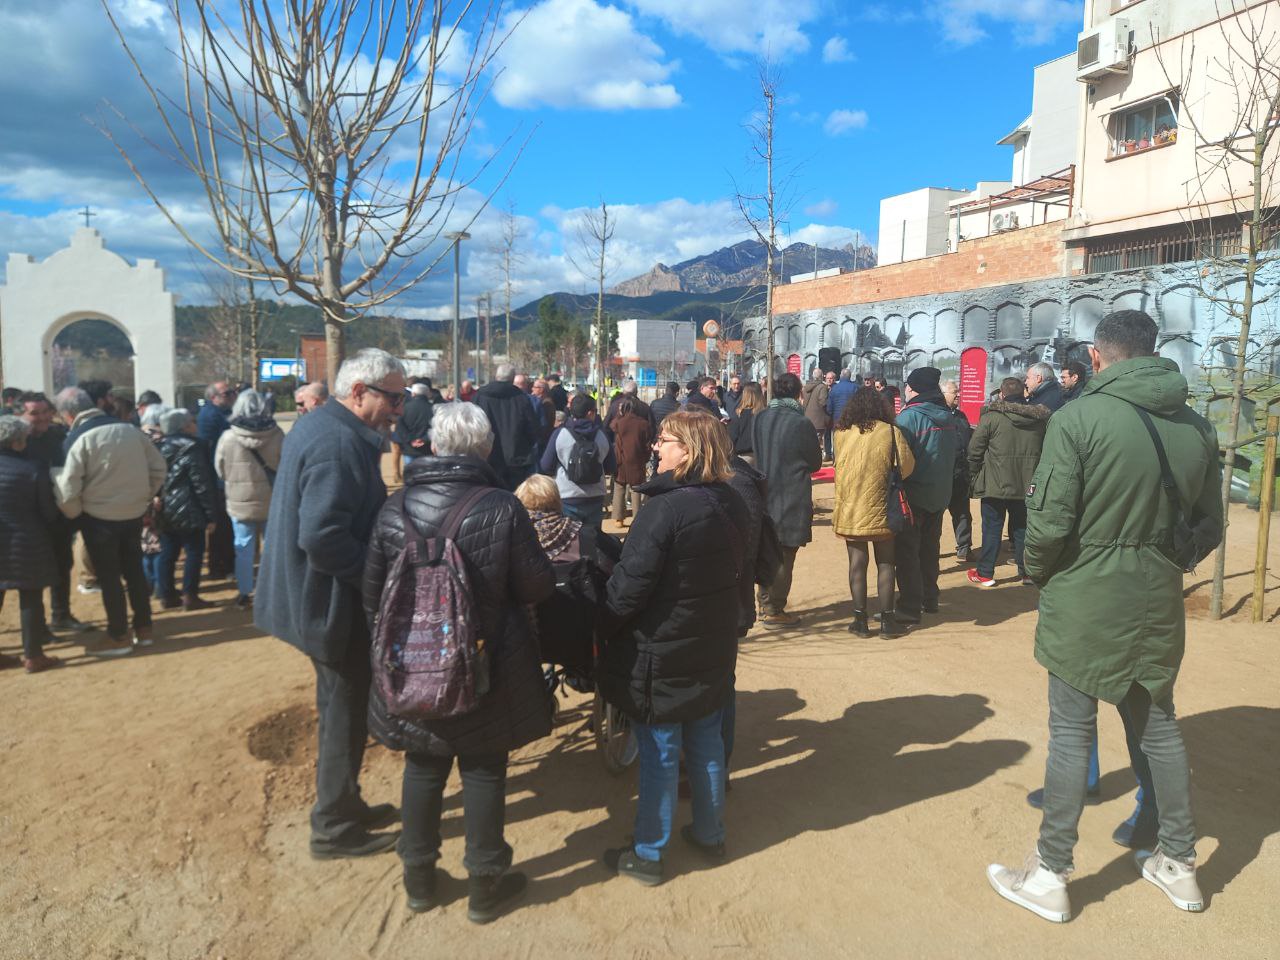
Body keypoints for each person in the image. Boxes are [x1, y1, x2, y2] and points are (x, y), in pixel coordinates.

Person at [987, 310, 1222, 923]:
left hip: (1086, 592)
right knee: (1160, 725)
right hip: (1158, 596)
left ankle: (1051, 871)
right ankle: (1179, 862)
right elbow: (1210, 524)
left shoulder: (1079, 418)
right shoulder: (1196, 426)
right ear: (1153, 353)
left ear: (1097, 357)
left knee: (1071, 730)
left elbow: (1051, 522)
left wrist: (1038, 569)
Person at [363, 402, 554, 922]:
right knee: (484, 768)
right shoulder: (500, 506)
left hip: (416, 664)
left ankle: (419, 879)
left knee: (423, 765)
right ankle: (485, 886)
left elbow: (372, 596)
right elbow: (536, 585)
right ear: (485, 447)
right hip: (484, 661)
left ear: (434, 444)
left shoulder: (394, 508)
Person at [255, 348, 406, 860]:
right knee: (343, 712)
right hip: (327, 607)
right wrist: (378, 575)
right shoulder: (339, 443)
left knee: (339, 708)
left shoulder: (329, 428)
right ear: (359, 391)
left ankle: (344, 802)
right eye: (394, 397)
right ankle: (334, 828)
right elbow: (321, 536)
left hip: (313, 601)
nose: (399, 408)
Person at [599, 410, 746, 885]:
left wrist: (602, 623)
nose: (656, 448)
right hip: (712, 644)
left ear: (690, 448)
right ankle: (710, 832)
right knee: (705, 741)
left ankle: (648, 853)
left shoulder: (664, 509)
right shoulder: (731, 500)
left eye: (665, 441)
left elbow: (628, 587)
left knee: (661, 751)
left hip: (663, 650)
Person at [54, 386, 167, 657]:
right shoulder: (130, 430)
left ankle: (118, 635)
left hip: (98, 518)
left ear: (69, 414)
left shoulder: (78, 438)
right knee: (135, 572)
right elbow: (159, 468)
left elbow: (69, 486)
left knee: (109, 577)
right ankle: (144, 628)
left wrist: (75, 513)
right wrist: (143, 497)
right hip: (132, 514)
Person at [515, 473, 619, 680]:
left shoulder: (513, 543)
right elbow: (617, 568)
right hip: (582, 635)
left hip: (528, 639)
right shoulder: (586, 535)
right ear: (557, 500)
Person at [832, 388, 915, 639]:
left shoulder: (841, 433)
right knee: (886, 562)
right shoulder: (890, 432)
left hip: (851, 507)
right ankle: (887, 622)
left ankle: (860, 620)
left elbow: (837, 466)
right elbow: (907, 466)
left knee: (856, 564)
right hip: (883, 506)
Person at [965, 378, 1050, 588]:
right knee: (1023, 529)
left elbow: (974, 450)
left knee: (992, 528)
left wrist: (975, 474)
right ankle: (1027, 573)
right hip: (1028, 483)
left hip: (995, 483)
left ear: (1002, 394)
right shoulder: (1039, 419)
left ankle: (985, 573)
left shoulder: (992, 417)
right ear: (1024, 394)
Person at [752, 372, 822, 625]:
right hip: (792, 494)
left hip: (763, 493)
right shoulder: (801, 423)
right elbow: (815, 462)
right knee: (784, 553)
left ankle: (764, 602)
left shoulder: (760, 418)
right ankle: (774, 609)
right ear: (798, 394)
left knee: (766, 549)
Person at [17, 391, 88, 634]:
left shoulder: (59, 436)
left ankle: (61, 615)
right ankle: (37, 628)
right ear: (21, 415)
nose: (42, 417)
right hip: (26, 519)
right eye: (34, 413)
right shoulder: (14, 442)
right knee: (31, 576)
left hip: (57, 514)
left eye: (46, 411)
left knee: (62, 565)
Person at [893, 367, 958, 625]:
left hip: (913, 494)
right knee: (930, 549)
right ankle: (929, 598)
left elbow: (899, 459)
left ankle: (909, 606)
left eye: (909, 386)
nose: (906, 390)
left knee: (907, 552)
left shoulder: (909, 418)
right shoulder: (948, 416)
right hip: (939, 493)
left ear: (915, 390)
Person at [0, 416, 63, 672]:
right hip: (28, 540)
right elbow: (48, 512)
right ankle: (33, 655)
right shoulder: (33, 469)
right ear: (17, 442)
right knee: (31, 597)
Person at [214, 389, 283, 609]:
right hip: (271, 500)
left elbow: (220, 470)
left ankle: (245, 592)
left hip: (239, 501)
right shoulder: (277, 434)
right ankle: (270, 592)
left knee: (243, 548)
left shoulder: (228, 437)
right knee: (271, 548)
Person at [155, 409, 219, 610]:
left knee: (167, 552)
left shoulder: (157, 447)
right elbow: (201, 483)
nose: (195, 424)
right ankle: (190, 595)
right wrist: (210, 514)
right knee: (194, 551)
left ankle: (167, 594)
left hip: (164, 506)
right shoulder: (194, 447)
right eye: (192, 421)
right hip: (190, 507)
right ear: (183, 426)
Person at [540, 393, 613, 536]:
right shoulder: (601, 435)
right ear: (590, 413)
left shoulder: (560, 434)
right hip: (595, 496)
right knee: (594, 541)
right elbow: (611, 466)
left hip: (567, 496)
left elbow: (546, 466)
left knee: (569, 542)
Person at [472, 364, 543, 491]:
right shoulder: (521, 398)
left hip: (487, 456)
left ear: (496, 376)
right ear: (512, 379)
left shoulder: (480, 396)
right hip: (516, 460)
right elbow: (532, 429)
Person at [198, 380, 237, 579]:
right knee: (221, 526)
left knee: (223, 525)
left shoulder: (219, 414)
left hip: (220, 476)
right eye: (227, 393)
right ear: (213, 397)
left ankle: (221, 565)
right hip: (217, 477)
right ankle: (220, 566)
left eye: (233, 392)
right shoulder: (211, 416)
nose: (232, 396)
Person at [940, 379, 974, 563]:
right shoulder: (936, 415)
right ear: (944, 394)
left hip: (960, 474)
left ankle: (964, 547)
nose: (958, 395)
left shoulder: (961, 416)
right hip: (941, 476)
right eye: (955, 392)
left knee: (962, 513)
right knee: (934, 517)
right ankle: (930, 550)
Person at [610, 397, 654, 524]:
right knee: (636, 490)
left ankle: (618, 518)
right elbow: (647, 444)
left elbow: (611, 426)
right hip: (637, 460)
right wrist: (645, 458)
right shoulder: (643, 424)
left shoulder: (619, 422)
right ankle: (636, 517)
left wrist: (619, 414)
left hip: (621, 460)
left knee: (619, 487)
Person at [392, 382, 435, 476]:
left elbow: (400, 427)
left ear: (413, 394)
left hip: (409, 448)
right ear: (427, 394)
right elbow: (436, 428)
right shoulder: (433, 409)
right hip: (427, 449)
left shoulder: (405, 408)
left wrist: (411, 440)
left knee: (410, 477)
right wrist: (424, 439)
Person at [728, 382, 765, 465]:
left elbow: (732, 438)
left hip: (743, 456)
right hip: (762, 455)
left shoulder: (739, 414)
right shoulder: (765, 414)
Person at [804, 370, 835, 460]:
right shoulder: (822, 387)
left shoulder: (806, 386)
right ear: (822, 376)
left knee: (810, 441)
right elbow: (823, 403)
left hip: (808, 418)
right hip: (818, 419)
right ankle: (813, 460)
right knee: (816, 442)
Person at [530, 378, 556, 445]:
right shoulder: (540, 401)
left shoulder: (546, 404)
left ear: (541, 389)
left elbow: (544, 423)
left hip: (543, 440)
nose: (532, 389)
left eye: (534, 387)